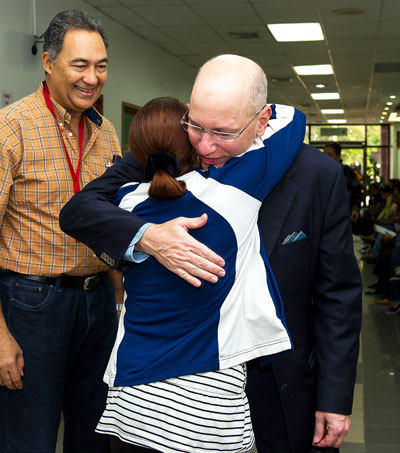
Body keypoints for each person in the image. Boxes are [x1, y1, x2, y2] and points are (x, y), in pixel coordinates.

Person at [60, 55, 362, 453]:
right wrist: (147, 235)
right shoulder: (167, 151)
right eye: (196, 126)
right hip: (187, 399)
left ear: (260, 120)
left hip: (280, 386)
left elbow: (337, 295)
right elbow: (80, 210)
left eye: (222, 133)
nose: (204, 145)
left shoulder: (316, 175)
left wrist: (335, 398)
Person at [93, 95, 304, 453]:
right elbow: (290, 118)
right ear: (193, 144)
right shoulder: (230, 194)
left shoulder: (124, 202)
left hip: (132, 399)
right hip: (205, 403)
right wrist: (216, 124)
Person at [0, 9, 124, 453]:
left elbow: (110, 217)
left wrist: (120, 287)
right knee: (29, 438)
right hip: (32, 305)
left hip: (97, 304)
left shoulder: (106, 133)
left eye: (101, 65)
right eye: (80, 65)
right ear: (48, 62)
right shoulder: (10, 127)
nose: (92, 78)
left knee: (95, 435)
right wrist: (0, 337)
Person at [323, 142, 363, 224]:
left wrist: (355, 209)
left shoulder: (347, 172)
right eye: (324, 154)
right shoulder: (319, 172)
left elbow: (357, 192)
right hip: (323, 215)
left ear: (338, 157)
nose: (326, 158)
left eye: (330, 155)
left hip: (344, 214)